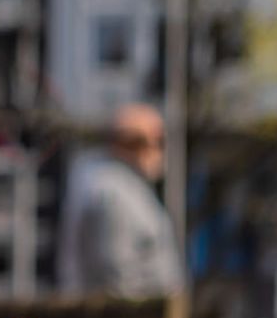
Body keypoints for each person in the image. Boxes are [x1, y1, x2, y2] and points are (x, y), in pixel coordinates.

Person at [57, 103, 184, 298]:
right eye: (157, 141)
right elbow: (115, 276)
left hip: (145, 316)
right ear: (129, 144)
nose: (161, 153)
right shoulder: (111, 193)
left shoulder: (127, 186)